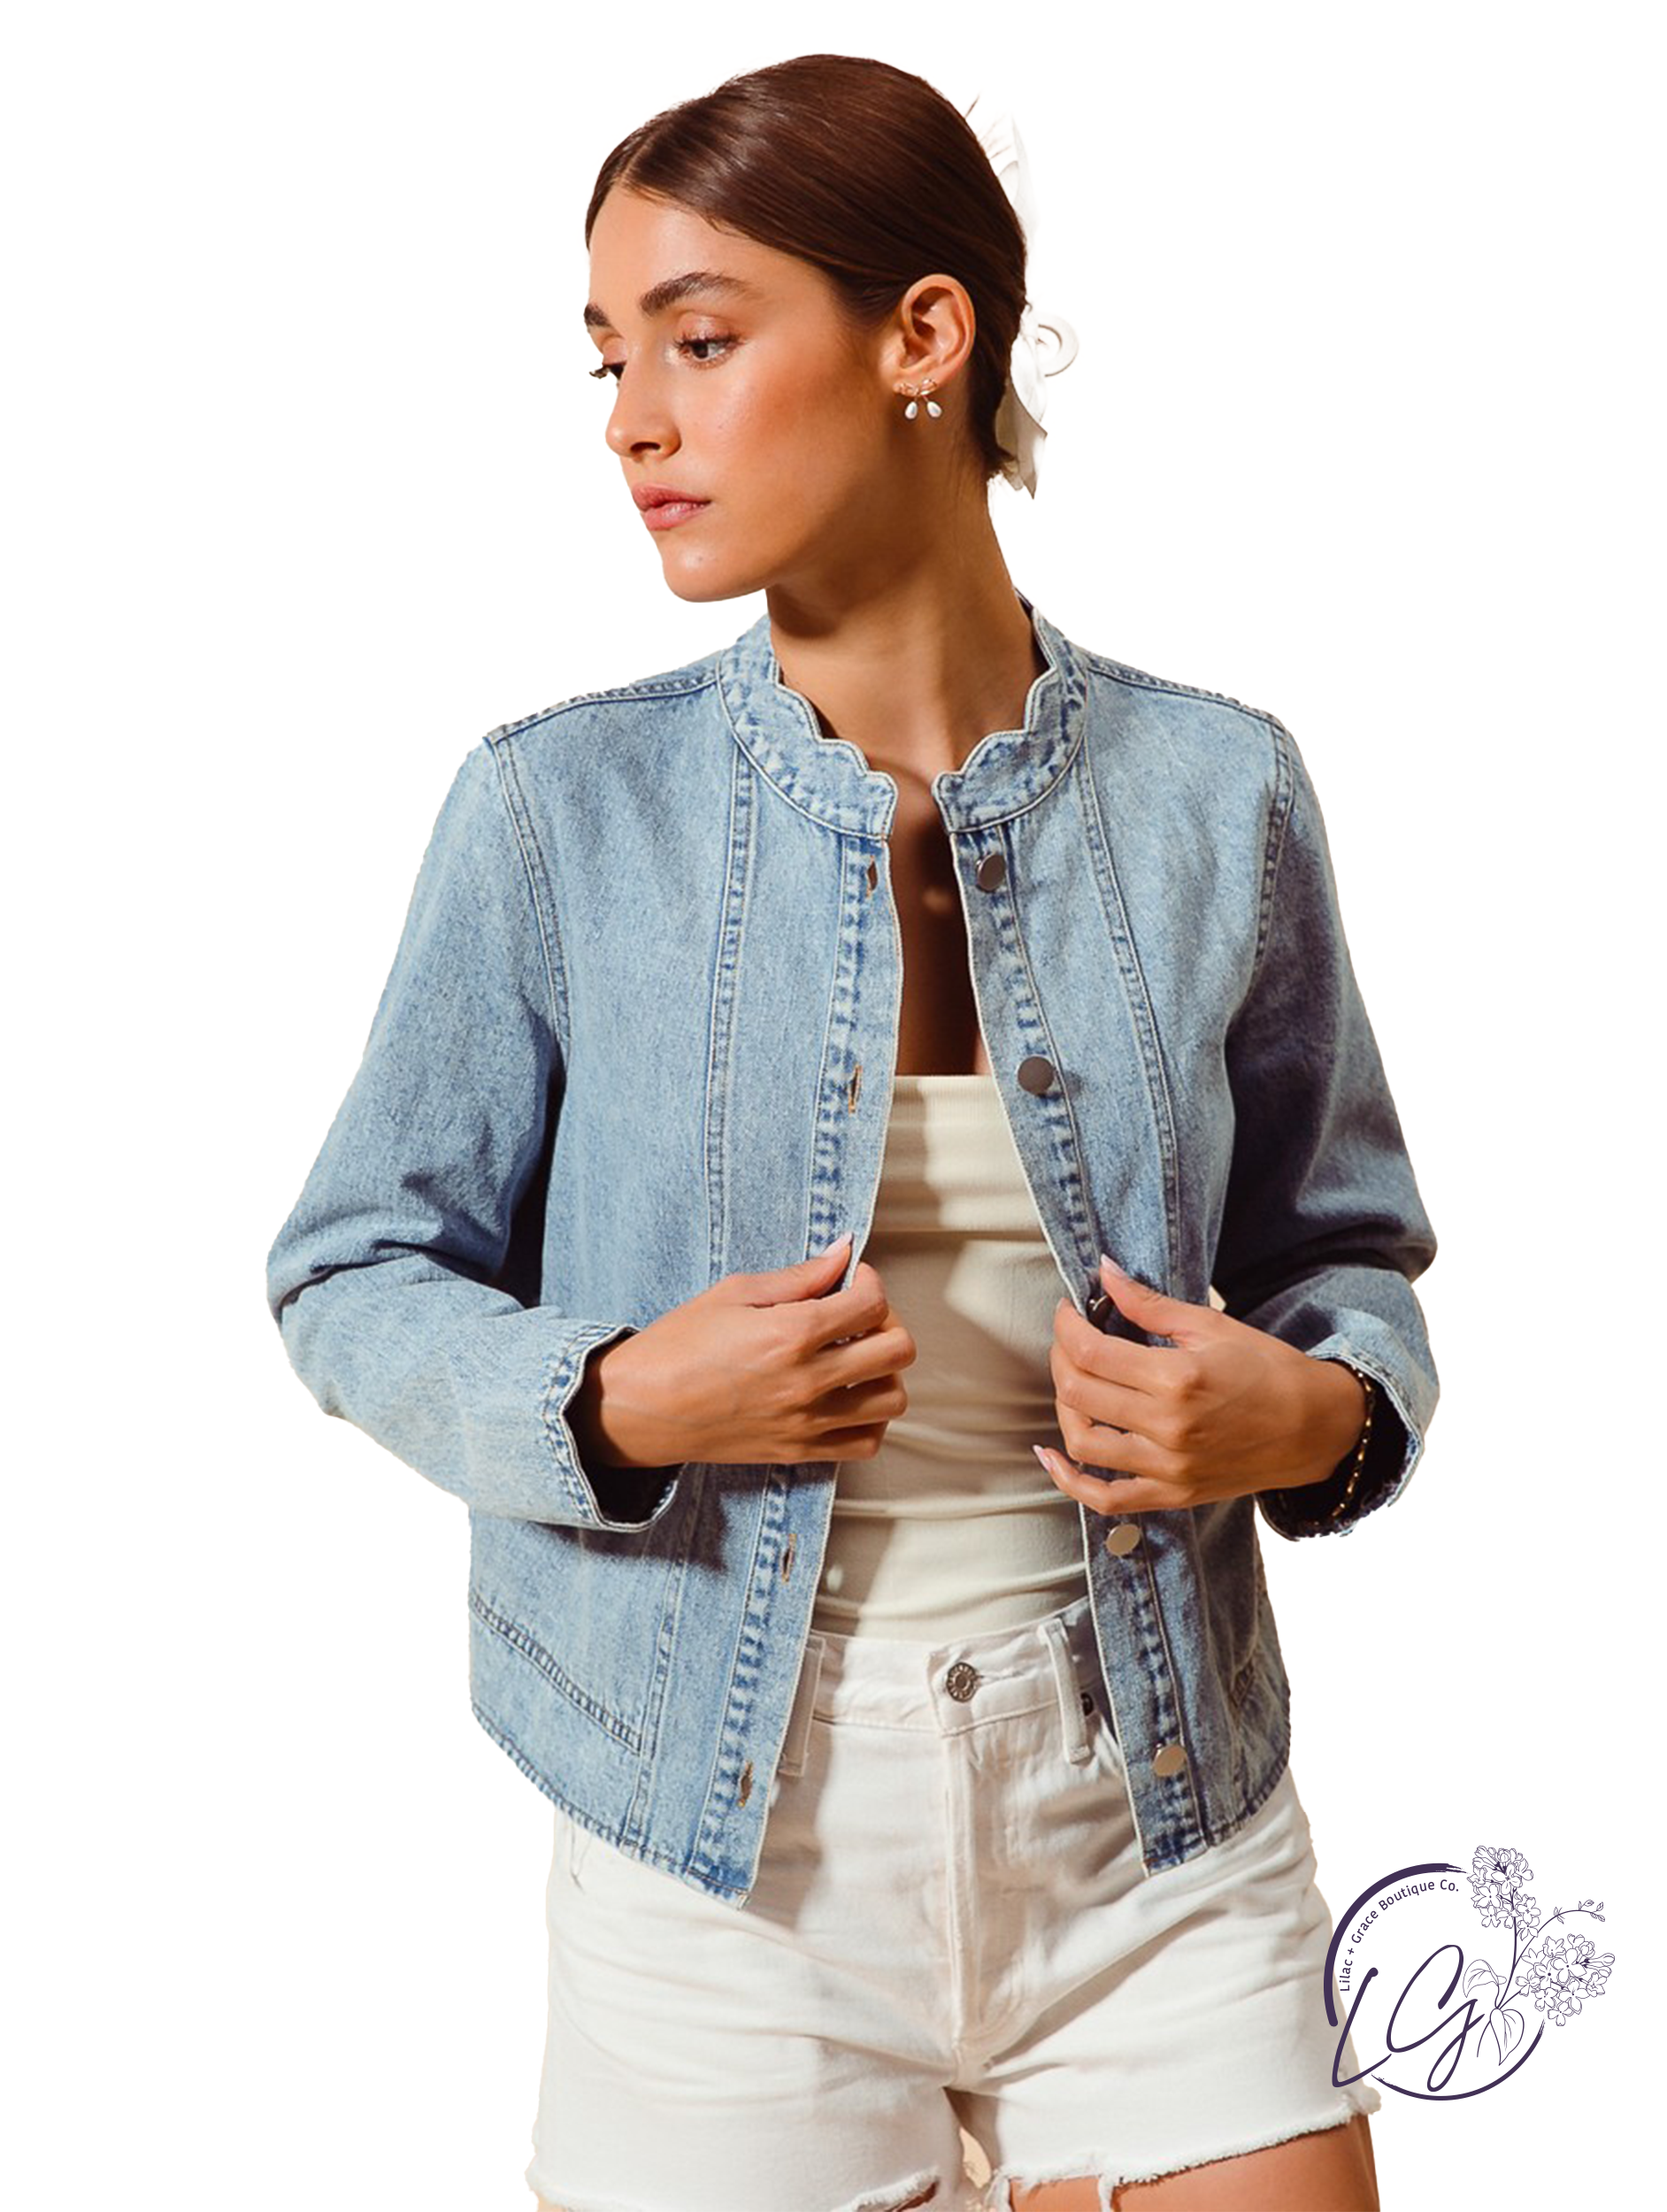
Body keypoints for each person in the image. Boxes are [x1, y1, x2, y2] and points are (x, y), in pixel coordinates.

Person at [265, 51, 1437, 2212]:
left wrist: (1316, 1413)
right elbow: (349, 1268)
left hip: (1159, 1814)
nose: (632, 421)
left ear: (925, 337)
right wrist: (611, 1397)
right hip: (722, 1852)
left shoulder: (1220, 792)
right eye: (611, 358)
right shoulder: (556, 813)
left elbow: (1342, 1249)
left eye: (699, 340)